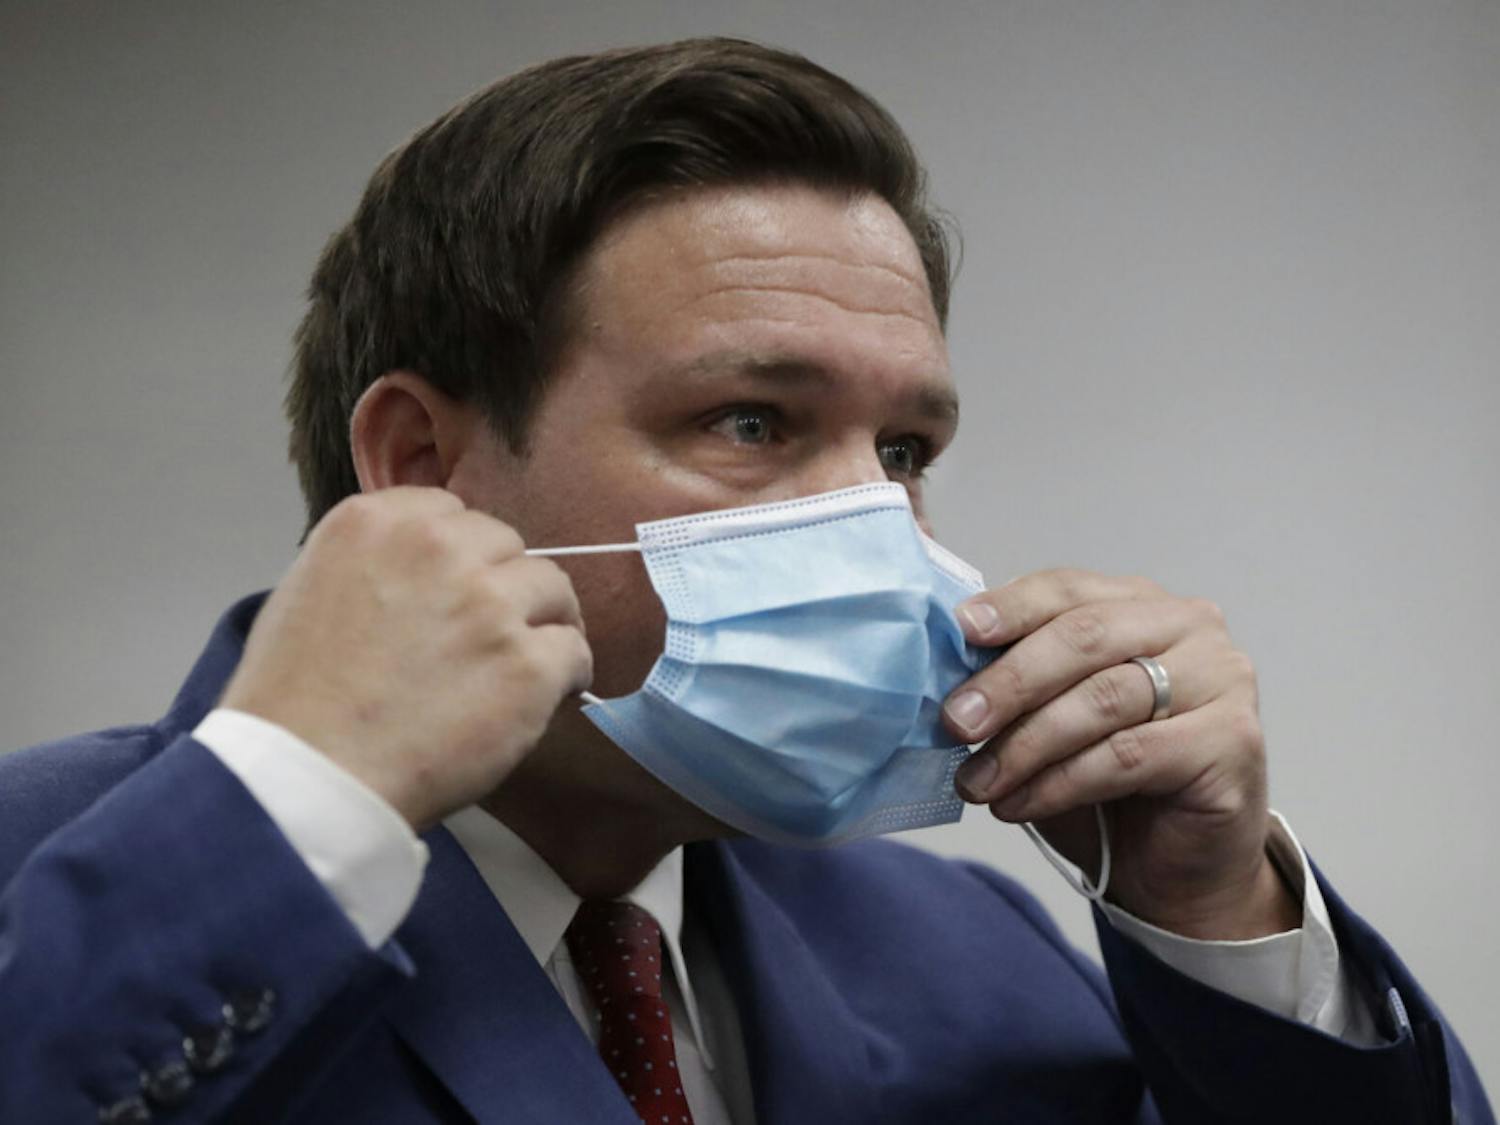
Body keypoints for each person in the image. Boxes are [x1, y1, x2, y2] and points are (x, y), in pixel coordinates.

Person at [0, 37, 1489, 1125]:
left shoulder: (967, 953)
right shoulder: (38, 863)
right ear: (418, 466)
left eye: (903, 445)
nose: (871, 521)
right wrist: (297, 801)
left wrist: (1213, 907)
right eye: (753, 423)